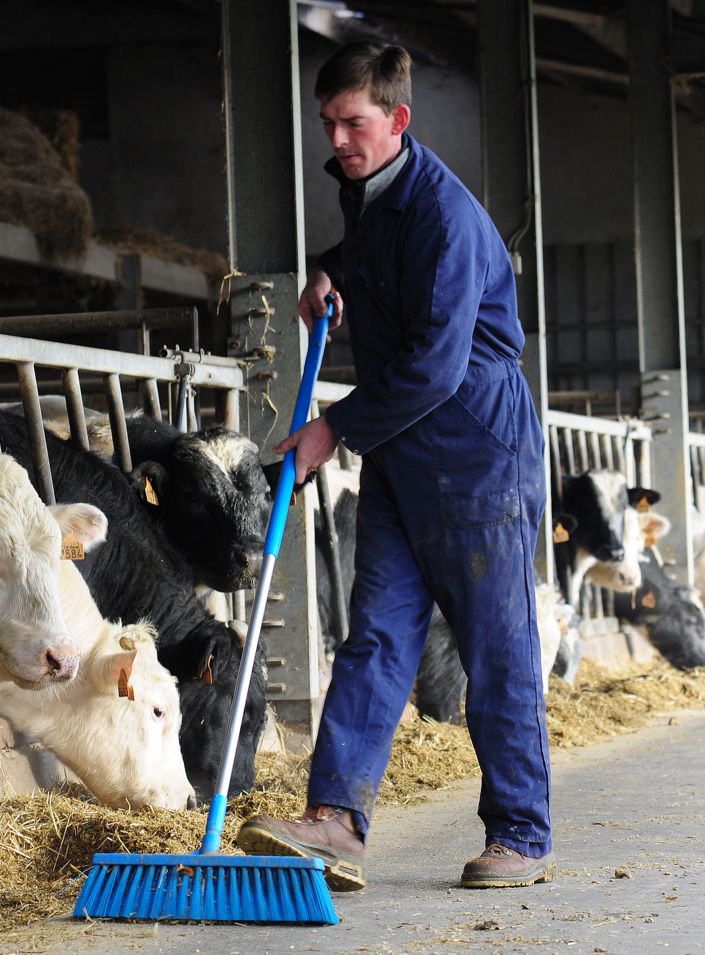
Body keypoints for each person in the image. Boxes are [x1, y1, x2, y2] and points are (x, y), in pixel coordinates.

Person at [235, 42, 553, 891]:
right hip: (404, 444)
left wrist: (329, 430)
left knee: (493, 643)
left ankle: (518, 832)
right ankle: (335, 819)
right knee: (375, 633)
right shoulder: (371, 195)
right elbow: (380, 265)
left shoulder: (444, 214)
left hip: (475, 445)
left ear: (397, 120)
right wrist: (330, 272)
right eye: (328, 123)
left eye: (354, 122)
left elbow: (436, 364)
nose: (338, 138)